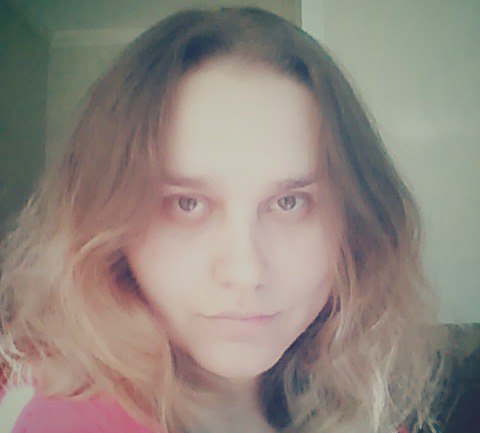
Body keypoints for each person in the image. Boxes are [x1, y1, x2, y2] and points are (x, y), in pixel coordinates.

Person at [0, 6, 452, 433]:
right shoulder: (70, 420)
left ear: (359, 221)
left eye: (290, 202)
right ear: (105, 224)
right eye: (186, 204)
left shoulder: (366, 402)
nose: (245, 272)